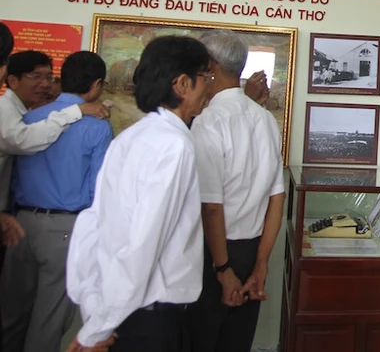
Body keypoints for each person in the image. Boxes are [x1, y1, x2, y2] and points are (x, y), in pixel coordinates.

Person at [66, 35, 212, 352]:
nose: (209, 88)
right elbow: (143, 244)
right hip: (149, 318)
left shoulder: (130, 137)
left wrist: (95, 313)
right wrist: (97, 330)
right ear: (182, 84)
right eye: (206, 77)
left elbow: (93, 224)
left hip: (118, 307)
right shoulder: (174, 146)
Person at [1, 52, 113, 352]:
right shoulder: (98, 125)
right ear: (97, 84)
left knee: (11, 314)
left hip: (20, 224)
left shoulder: (29, 118)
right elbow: (98, 189)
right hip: (65, 230)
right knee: (48, 321)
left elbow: (12, 175)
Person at [186, 30, 286, 352]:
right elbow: (277, 198)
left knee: (200, 341)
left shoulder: (208, 122)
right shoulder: (265, 120)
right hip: (252, 252)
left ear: (210, 66)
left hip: (214, 254)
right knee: (237, 343)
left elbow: (211, 207)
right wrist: (261, 264)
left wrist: (222, 268)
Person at [0, 48, 109, 222]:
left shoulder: (28, 117)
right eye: (36, 76)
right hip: (67, 223)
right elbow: (99, 183)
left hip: (21, 219)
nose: (45, 84)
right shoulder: (98, 124)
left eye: (49, 77)